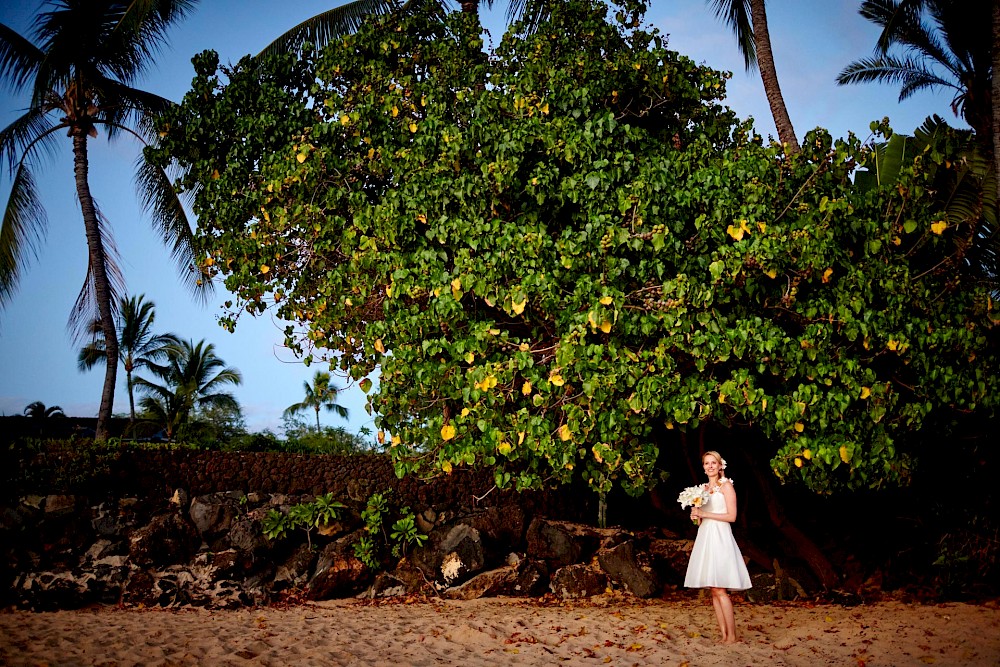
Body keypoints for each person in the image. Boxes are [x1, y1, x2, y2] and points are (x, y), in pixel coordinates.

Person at [684, 450, 752, 644]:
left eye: (714, 463)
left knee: (721, 589)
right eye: (707, 463)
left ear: (720, 465)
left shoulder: (726, 486)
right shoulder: (703, 489)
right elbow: (701, 520)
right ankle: (723, 635)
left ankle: (732, 636)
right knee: (713, 589)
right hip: (706, 537)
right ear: (704, 467)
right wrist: (696, 516)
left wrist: (706, 515)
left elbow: (732, 516)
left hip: (721, 537)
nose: (710, 466)